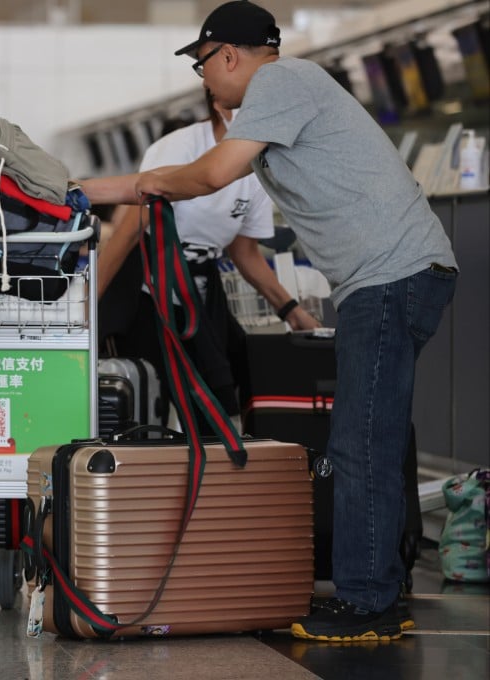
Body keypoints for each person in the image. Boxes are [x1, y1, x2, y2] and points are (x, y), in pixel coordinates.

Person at [81, 0, 457, 642]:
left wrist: (92, 189)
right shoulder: (278, 108)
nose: (203, 80)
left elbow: (205, 177)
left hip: (392, 278)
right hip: (394, 279)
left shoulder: (284, 81)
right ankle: (381, 592)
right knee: (370, 436)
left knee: (361, 441)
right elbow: (187, 180)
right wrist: (92, 191)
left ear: (228, 54)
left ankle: (369, 604)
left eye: (203, 64)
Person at [98, 89, 319, 426]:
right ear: (221, 106)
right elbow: (126, 234)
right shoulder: (180, 148)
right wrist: (85, 310)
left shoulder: (258, 165)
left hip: (200, 290)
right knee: (175, 396)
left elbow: (244, 252)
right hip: (146, 289)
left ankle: (215, 467)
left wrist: (291, 311)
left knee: (227, 387)